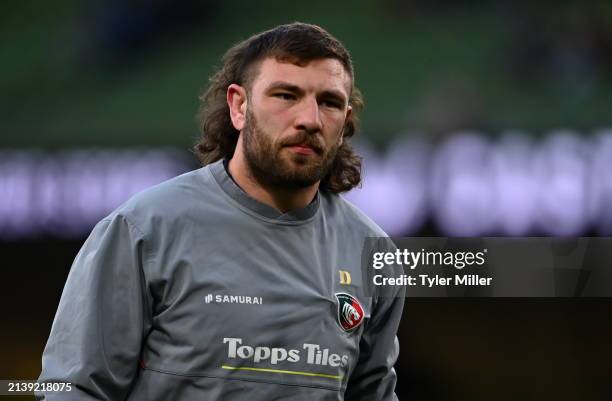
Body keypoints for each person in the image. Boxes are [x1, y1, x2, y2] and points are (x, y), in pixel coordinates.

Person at [37, 22, 405, 401]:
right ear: (239, 106)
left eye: (329, 102)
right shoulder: (145, 229)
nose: (310, 119)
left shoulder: (372, 252)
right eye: (286, 95)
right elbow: (74, 389)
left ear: (345, 122)